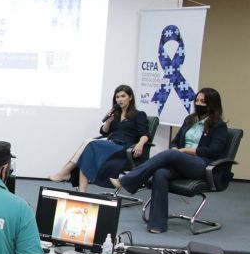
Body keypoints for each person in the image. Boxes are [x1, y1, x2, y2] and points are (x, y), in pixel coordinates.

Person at [111, 87, 228, 233]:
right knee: (160, 173)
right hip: (182, 162)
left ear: (212, 104)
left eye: (203, 101)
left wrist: (185, 151)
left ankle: (127, 180)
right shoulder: (190, 120)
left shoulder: (219, 126)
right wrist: (174, 148)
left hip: (201, 165)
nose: (198, 104)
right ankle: (157, 224)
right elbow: (176, 141)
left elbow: (214, 151)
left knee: (172, 155)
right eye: (197, 100)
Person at [50, 85, 149, 192]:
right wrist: (108, 122)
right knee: (88, 145)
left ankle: (66, 173)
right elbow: (104, 132)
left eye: (123, 96)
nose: (120, 99)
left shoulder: (139, 115)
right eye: (117, 97)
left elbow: (145, 134)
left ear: (130, 98)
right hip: (111, 143)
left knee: (90, 144)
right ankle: (81, 190)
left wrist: (141, 143)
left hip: (123, 146)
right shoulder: (115, 114)